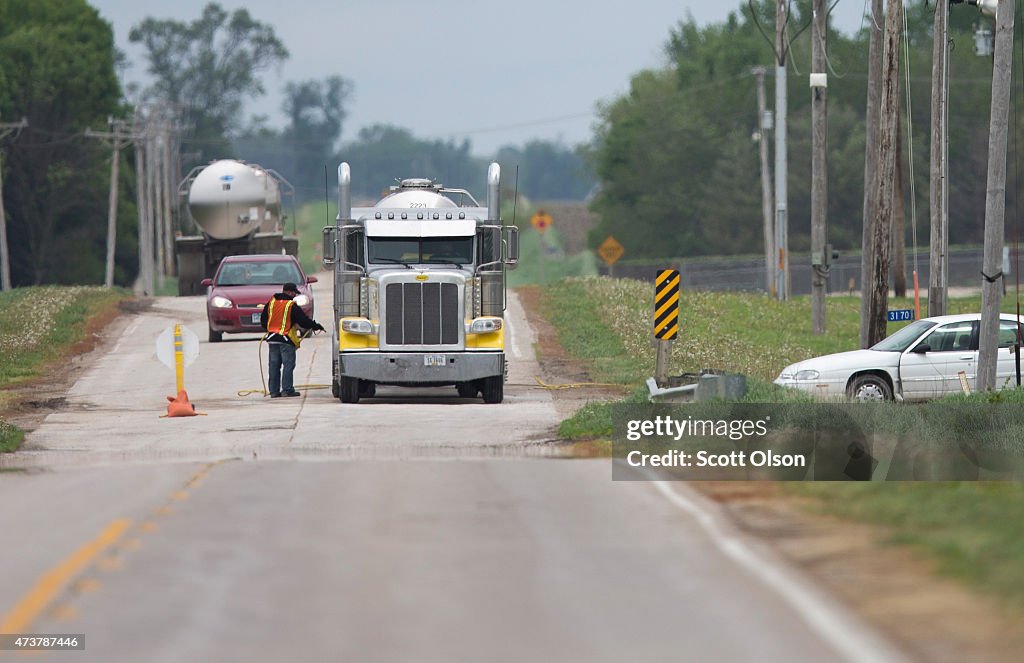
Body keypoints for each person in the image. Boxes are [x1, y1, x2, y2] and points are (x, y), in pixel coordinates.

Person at [260, 282, 324, 398]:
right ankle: (287, 390)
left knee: (274, 365)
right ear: (289, 292)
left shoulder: (272, 302)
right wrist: (316, 326)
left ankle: (274, 391)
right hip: (286, 339)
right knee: (288, 365)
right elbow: (303, 320)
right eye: (294, 293)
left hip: (272, 339)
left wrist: (272, 330)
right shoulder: (291, 305)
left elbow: (263, 320)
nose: (295, 296)